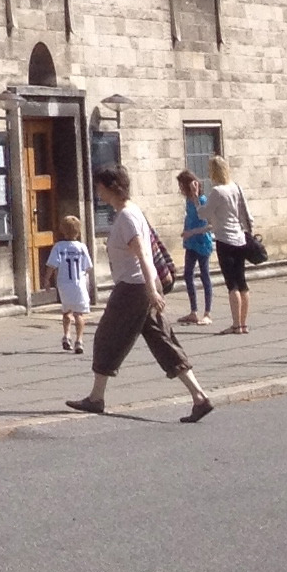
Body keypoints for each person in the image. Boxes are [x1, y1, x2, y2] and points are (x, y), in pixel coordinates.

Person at [69, 165, 214, 421]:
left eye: (99, 187)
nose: (97, 192)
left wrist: (151, 289)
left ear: (111, 187)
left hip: (133, 288)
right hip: (141, 287)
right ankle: (199, 398)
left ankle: (96, 398)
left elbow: (144, 255)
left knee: (106, 337)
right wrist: (152, 288)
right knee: (162, 340)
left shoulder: (127, 216)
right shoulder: (130, 211)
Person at [206, 154, 258, 333]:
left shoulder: (217, 191)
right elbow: (247, 214)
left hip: (225, 240)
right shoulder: (236, 187)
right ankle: (243, 324)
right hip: (240, 238)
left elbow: (204, 213)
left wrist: (197, 201)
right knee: (242, 281)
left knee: (232, 284)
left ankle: (236, 324)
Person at [48, 214, 94, 354]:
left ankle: (66, 335)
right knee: (79, 314)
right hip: (78, 284)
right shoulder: (81, 247)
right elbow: (88, 267)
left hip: (64, 284)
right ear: (78, 231)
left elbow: (52, 265)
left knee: (66, 311)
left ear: (62, 230)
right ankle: (79, 340)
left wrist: (46, 280)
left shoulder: (59, 247)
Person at [177, 167, 215, 322]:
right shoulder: (188, 201)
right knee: (188, 274)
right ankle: (193, 311)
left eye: (182, 185)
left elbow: (210, 224)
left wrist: (195, 194)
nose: (180, 189)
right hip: (191, 242)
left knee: (204, 274)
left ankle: (207, 313)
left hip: (202, 241)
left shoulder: (203, 200)